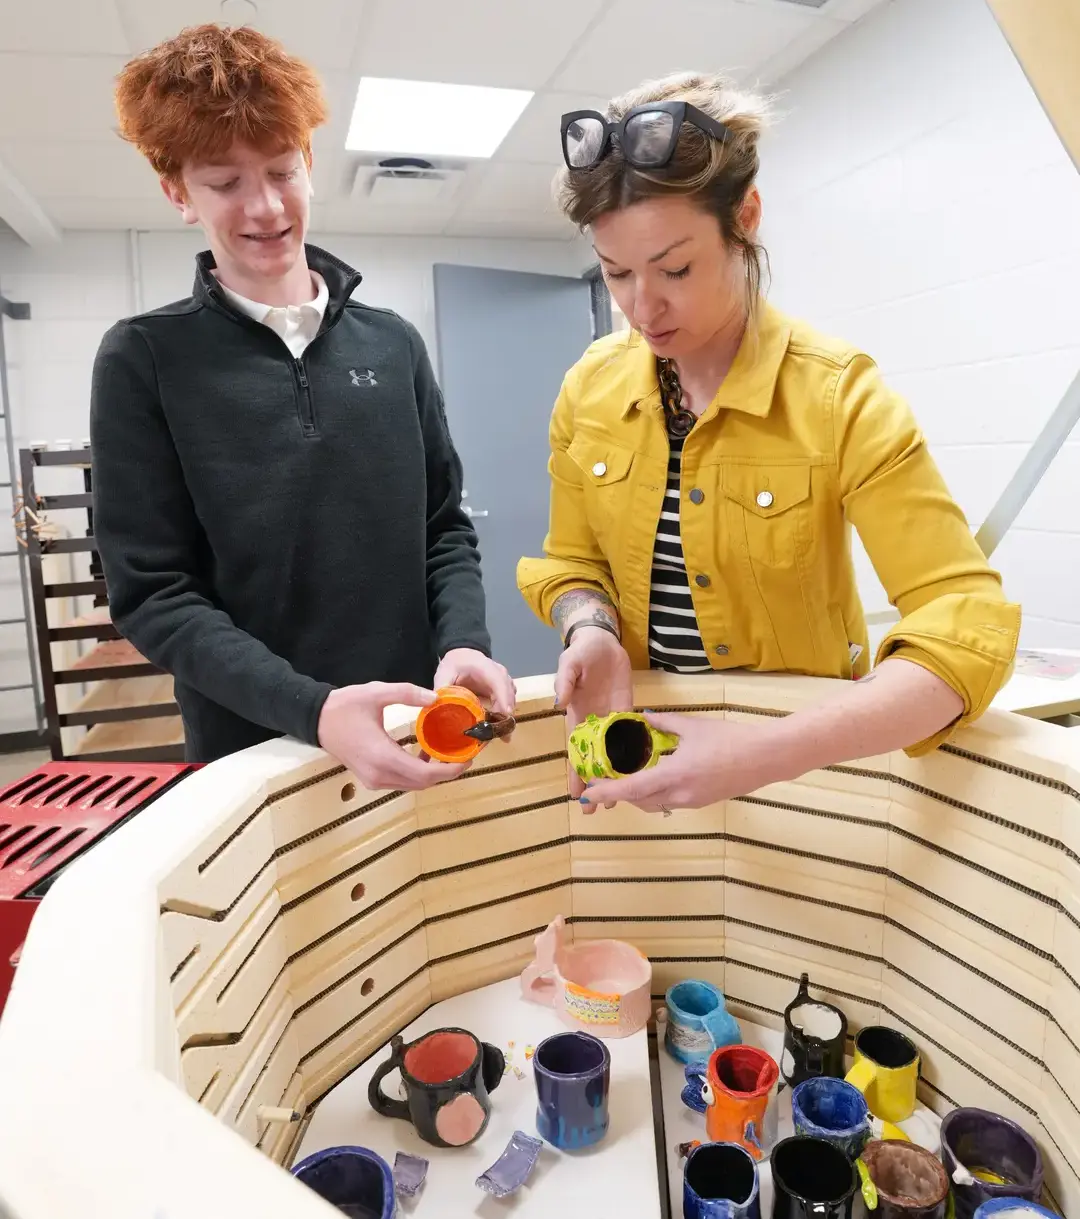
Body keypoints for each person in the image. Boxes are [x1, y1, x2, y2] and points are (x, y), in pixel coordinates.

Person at [517, 72, 1020, 815]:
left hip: (806, 780)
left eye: (676, 268)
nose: (642, 307)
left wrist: (764, 751)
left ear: (745, 218)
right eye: (616, 272)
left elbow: (965, 618)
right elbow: (570, 563)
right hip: (649, 767)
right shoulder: (589, 390)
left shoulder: (840, 395)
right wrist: (588, 624)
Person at [90, 24, 514, 788]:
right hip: (252, 755)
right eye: (225, 183)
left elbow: (443, 530)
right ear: (177, 192)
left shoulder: (394, 346)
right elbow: (153, 594)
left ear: (310, 163)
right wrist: (313, 708)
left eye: (283, 171)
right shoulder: (143, 360)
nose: (264, 208)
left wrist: (465, 642)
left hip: (417, 727)